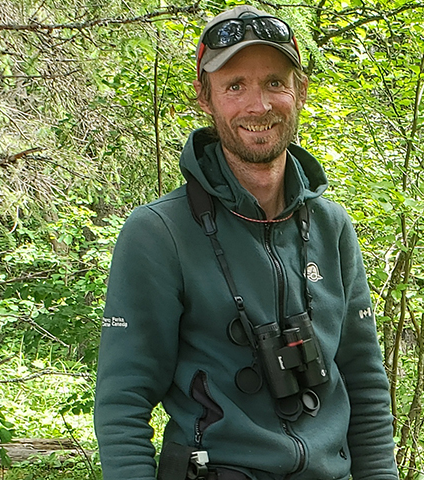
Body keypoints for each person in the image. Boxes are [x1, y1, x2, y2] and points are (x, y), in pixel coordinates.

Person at [95, 6, 396, 480]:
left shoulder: (331, 226)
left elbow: (365, 381)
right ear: (205, 97)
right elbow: (122, 402)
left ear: (299, 91)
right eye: (235, 86)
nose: (258, 105)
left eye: (275, 82)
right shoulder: (160, 232)